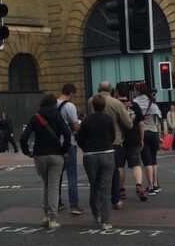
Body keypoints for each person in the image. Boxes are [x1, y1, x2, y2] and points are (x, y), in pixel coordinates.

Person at [20, 93, 72, 230]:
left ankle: (45, 216)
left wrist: (27, 152)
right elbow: (67, 134)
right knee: (54, 186)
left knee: (46, 184)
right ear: (54, 104)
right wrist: (65, 149)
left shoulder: (35, 117)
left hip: (39, 155)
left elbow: (23, 138)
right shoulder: (57, 116)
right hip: (56, 154)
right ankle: (53, 219)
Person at [87, 80, 132, 210]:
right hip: (114, 141)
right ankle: (115, 199)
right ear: (111, 90)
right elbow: (128, 123)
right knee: (114, 171)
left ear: (98, 89)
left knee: (97, 173)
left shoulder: (91, 101)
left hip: (94, 141)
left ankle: (98, 201)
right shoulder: (116, 103)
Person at [77, 94, 116, 230]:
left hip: (90, 155)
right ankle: (106, 221)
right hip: (107, 153)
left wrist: (86, 148)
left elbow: (79, 138)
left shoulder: (86, 121)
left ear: (93, 105)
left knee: (94, 186)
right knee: (106, 187)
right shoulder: (109, 119)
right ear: (104, 105)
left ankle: (96, 214)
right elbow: (112, 136)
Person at [115, 84, 146, 202]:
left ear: (117, 92)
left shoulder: (114, 105)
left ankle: (121, 190)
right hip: (134, 139)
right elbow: (141, 124)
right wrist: (141, 139)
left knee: (119, 166)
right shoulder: (135, 105)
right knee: (136, 164)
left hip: (119, 140)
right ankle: (139, 185)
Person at [56, 83, 82, 215]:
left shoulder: (53, 104)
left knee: (57, 175)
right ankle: (74, 205)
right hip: (69, 143)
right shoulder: (69, 106)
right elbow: (74, 127)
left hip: (55, 144)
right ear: (71, 93)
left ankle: (57, 202)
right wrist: (79, 124)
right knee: (72, 174)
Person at [134, 85, 162, 196]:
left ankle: (150, 187)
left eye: (135, 90)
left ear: (139, 91)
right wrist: (160, 136)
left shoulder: (135, 103)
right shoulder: (152, 103)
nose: (134, 91)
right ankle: (155, 185)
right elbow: (158, 121)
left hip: (143, 133)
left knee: (147, 161)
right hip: (154, 133)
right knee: (154, 160)